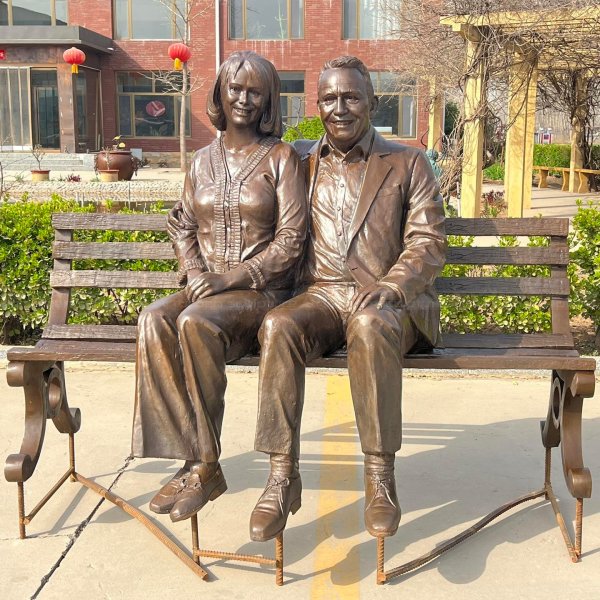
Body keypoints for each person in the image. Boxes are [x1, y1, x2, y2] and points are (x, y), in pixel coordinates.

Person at [250, 56, 446, 542]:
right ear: (317, 106)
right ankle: (281, 475)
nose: (340, 108)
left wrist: (394, 285)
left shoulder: (407, 161)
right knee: (277, 326)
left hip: (388, 305)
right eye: (330, 99)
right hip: (322, 296)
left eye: (351, 97)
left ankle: (379, 477)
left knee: (368, 323)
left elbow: (428, 240)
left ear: (371, 103)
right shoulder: (298, 161)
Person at [131, 51, 307, 523]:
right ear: (220, 93)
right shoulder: (203, 160)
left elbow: (291, 241)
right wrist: (192, 273)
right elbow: (183, 224)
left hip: (262, 293)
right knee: (152, 319)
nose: (244, 99)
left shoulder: (282, 158)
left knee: (193, 321)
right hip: (206, 286)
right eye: (236, 88)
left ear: (269, 99)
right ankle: (190, 457)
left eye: (255, 91)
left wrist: (228, 279)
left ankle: (207, 466)